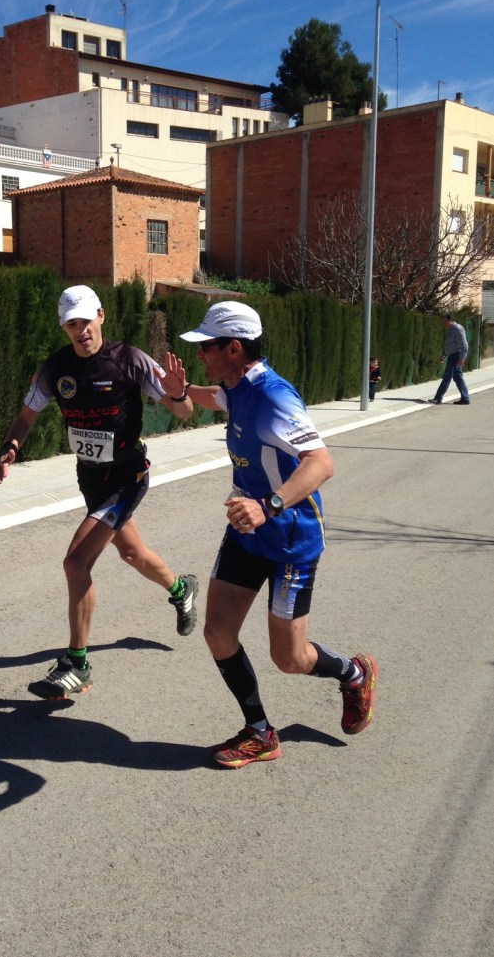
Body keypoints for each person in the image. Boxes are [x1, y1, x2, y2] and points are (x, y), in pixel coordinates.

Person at [177, 300, 377, 768]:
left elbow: (321, 463)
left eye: (207, 346)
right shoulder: (237, 387)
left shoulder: (273, 397)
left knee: (289, 658)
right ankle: (260, 732)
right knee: (217, 632)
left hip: (291, 542)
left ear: (234, 347)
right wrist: (181, 388)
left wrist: (268, 505)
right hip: (247, 534)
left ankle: (353, 673)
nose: (200, 353)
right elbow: (214, 397)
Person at [0, 285, 199, 700]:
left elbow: (184, 412)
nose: (80, 330)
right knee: (132, 553)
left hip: (126, 477)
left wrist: (178, 393)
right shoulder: (54, 368)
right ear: (65, 328)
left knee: (76, 562)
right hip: (90, 477)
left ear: (101, 316)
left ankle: (77, 663)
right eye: (71, 324)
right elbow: (25, 417)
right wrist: (11, 448)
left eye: (86, 320)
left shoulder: (131, 361)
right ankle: (182, 590)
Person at [428, 313, 470, 405]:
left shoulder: (458, 329)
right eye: (443, 321)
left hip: (456, 356)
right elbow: (449, 345)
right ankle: (465, 398)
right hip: (452, 355)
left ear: (451, 320)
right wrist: (444, 355)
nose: (443, 323)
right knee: (458, 378)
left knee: (447, 377)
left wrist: (461, 359)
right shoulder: (450, 330)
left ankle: (438, 398)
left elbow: (464, 345)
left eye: (445, 321)